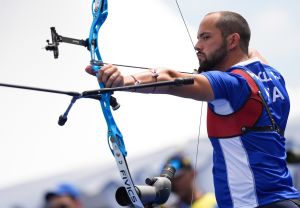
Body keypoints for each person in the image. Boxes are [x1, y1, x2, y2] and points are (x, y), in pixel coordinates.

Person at [86, 11, 300, 208]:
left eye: (206, 37)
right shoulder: (273, 77)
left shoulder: (232, 85)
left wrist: (123, 80)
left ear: (233, 40)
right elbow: (251, 51)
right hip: (287, 199)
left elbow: (170, 79)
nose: (197, 45)